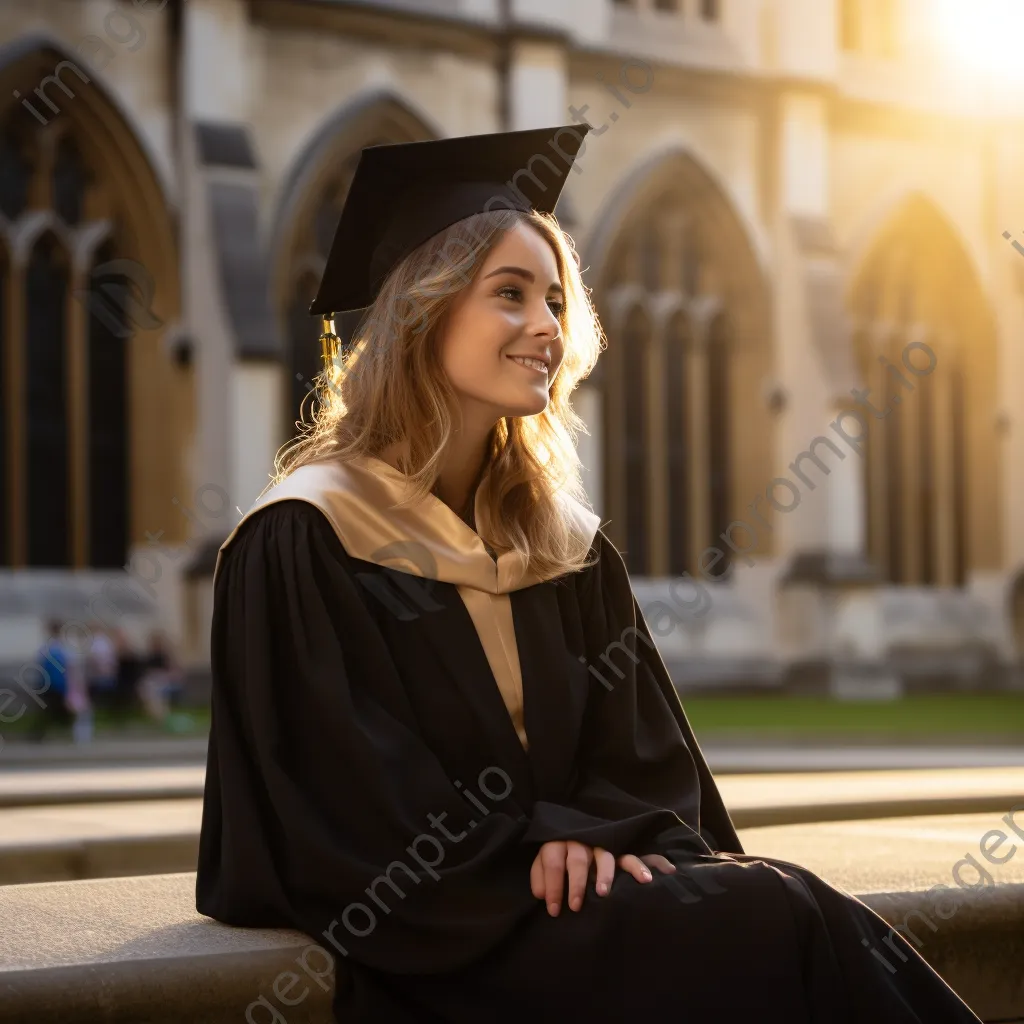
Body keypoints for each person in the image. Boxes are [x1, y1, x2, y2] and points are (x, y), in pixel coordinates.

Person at [196, 126, 982, 1022]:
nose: (548, 326)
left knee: (785, 909)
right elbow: (343, 802)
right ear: (422, 310)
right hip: (440, 935)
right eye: (510, 294)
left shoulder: (561, 544)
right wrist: (539, 842)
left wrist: (589, 835)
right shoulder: (307, 535)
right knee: (782, 916)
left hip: (575, 906)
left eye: (557, 300)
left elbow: (644, 760)